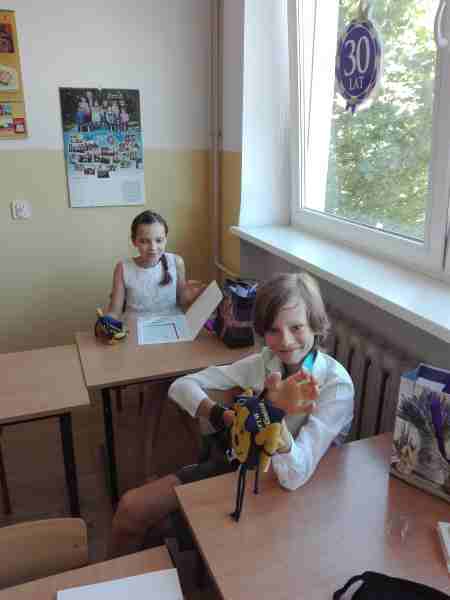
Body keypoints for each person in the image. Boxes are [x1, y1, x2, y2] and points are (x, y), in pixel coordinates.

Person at [109, 272, 354, 557]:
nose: (286, 341)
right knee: (130, 510)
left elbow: (294, 476)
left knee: (151, 522)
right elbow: (181, 386)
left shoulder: (335, 385)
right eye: (273, 330)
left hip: (284, 492)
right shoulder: (265, 361)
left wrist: (275, 413)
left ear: (315, 324)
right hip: (236, 467)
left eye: (296, 327)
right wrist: (222, 416)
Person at [105, 209, 205, 319]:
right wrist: (107, 321)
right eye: (144, 241)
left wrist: (195, 296)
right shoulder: (123, 267)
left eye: (159, 240)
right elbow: (114, 312)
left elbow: (183, 303)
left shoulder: (176, 262)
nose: (153, 247)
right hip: (135, 327)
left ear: (166, 240)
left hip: (170, 325)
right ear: (134, 241)